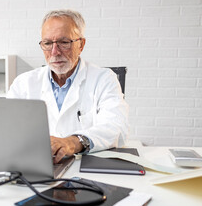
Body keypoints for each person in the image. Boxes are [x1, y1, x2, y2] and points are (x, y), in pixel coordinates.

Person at [7, 9, 128, 163]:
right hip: (38, 165)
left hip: (86, 168)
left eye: (64, 42)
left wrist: (73, 142)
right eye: (48, 43)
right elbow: (8, 130)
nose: (55, 52)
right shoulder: (23, 83)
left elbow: (116, 128)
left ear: (81, 44)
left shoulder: (104, 79)